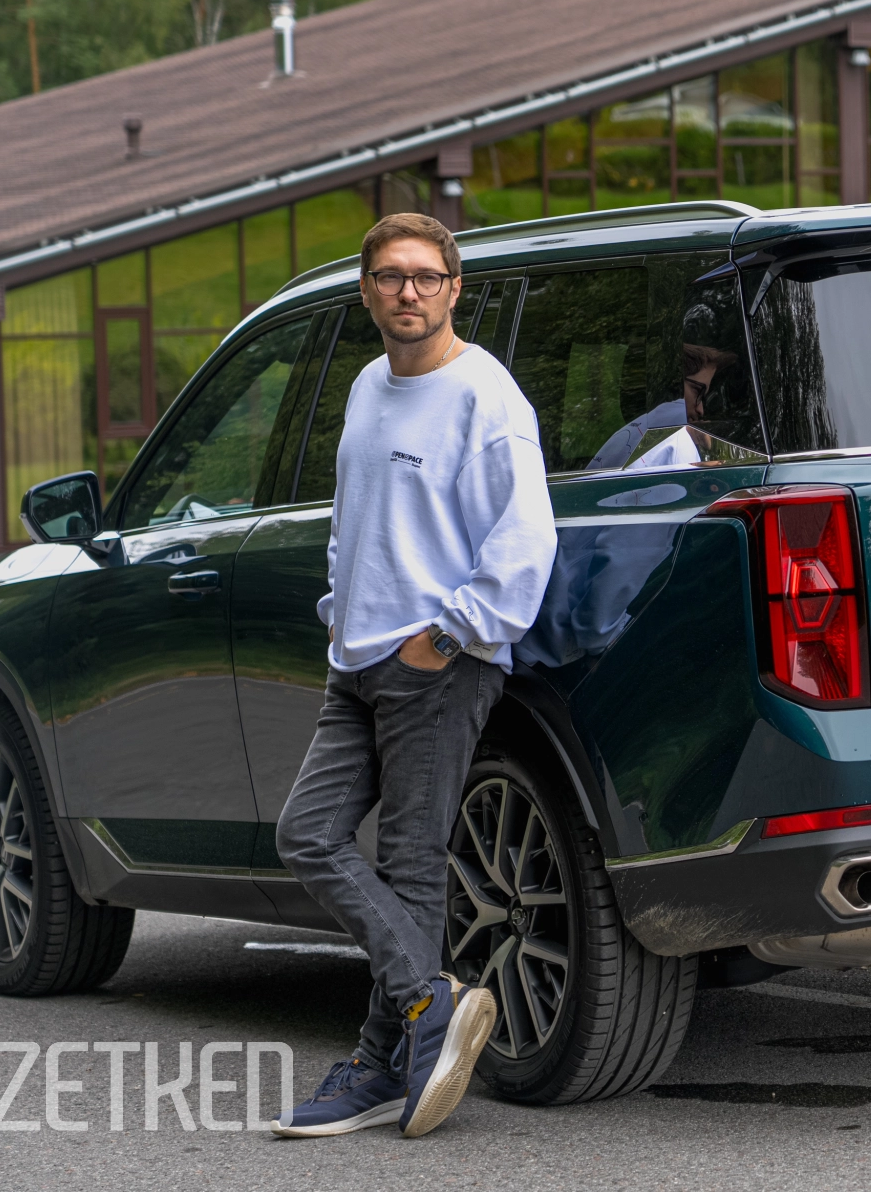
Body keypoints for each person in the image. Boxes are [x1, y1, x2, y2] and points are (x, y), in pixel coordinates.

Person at [271, 213, 557, 1138]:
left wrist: (448, 635)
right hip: (355, 660)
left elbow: (526, 539)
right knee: (308, 834)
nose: (408, 291)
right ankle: (429, 1001)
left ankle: (380, 1064)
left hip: (437, 666)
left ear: (453, 289)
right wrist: (339, 609)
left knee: (408, 863)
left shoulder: (485, 397)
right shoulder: (368, 386)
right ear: (366, 291)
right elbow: (353, 516)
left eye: (426, 276)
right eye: (390, 276)